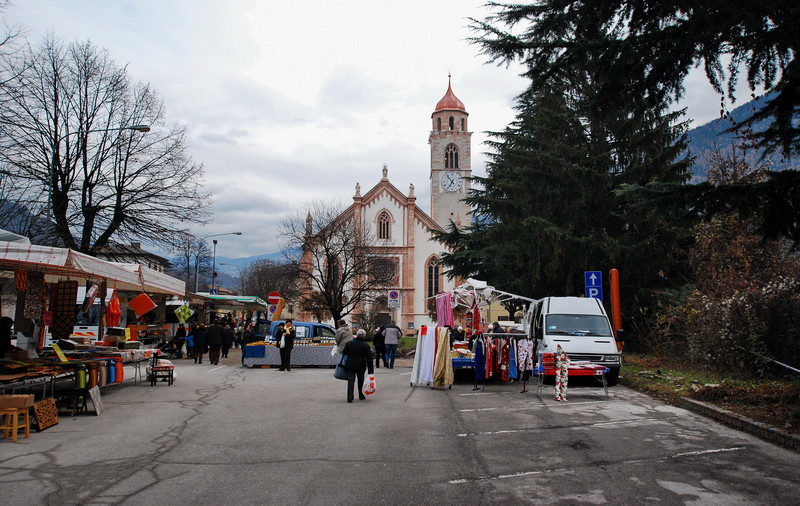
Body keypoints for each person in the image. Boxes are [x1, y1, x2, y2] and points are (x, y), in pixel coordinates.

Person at [341, 328, 375, 403]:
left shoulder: (349, 343)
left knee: (351, 381)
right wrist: (371, 371)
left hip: (350, 364)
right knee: (360, 380)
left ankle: (350, 397)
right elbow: (369, 358)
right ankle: (361, 395)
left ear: (356, 335)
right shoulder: (366, 345)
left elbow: (345, 353)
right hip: (360, 365)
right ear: (364, 336)